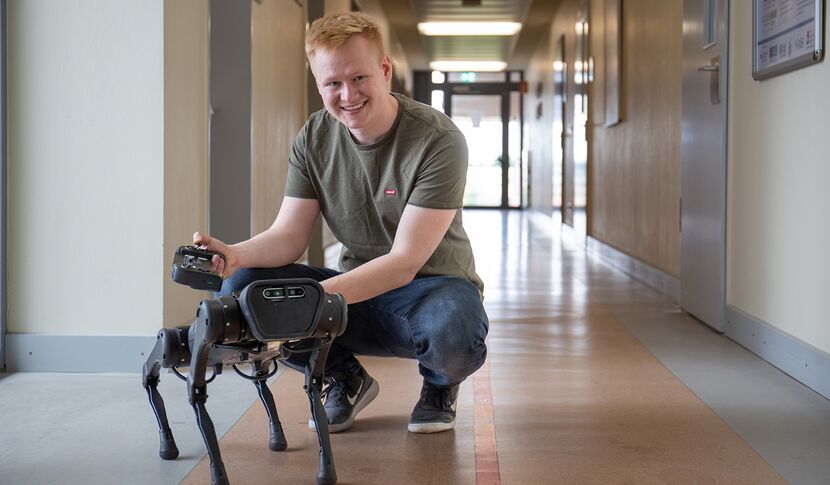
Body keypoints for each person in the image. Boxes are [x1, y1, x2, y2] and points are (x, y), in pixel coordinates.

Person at [194, 11, 488, 434]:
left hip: (431, 292)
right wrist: (234, 255)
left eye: (359, 78)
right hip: (357, 291)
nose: (347, 94)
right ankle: (345, 377)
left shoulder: (437, 139)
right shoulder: (314, 137)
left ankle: (440, 385)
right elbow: (289, 236)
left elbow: (405, 262)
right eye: (332, 83)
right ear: (319, 84)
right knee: (241, 288)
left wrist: (309, 298)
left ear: (384, 69)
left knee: (455, 329)